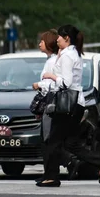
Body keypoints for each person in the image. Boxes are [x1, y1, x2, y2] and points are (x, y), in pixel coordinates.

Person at [37, 25, 100, 187]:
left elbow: (66, 82)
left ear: (67, 38)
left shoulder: (67, 56)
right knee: (70, 142)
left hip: (67, 105)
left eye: (59, 37)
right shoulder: (72, 54)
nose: (57, 39)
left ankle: (51, 176)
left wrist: (50, 76)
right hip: (75, 104)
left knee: (53, 141)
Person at [32, 29, 59, 183]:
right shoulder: (51, 60)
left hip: (51, 104)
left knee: (47, 140)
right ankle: (48, 173)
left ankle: (50, 174)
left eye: (42, 41)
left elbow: (51, 84)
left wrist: (38, 85)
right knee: (47, 139)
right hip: (50, 104)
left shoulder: (52, 62)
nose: (39, 44)